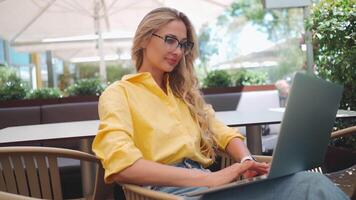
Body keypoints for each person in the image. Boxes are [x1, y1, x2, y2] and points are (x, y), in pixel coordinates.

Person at [92, 7, 349, 200]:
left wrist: (246, 161)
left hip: (207, 185)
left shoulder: (183, 94)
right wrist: (210, 179)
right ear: (145, 39)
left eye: (183, 45)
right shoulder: (119, 93)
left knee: (304, 182)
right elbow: (122, 166)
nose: (178, 51)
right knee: (309, 186)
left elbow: (224, 134)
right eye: (170, 40)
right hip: (171, 193)